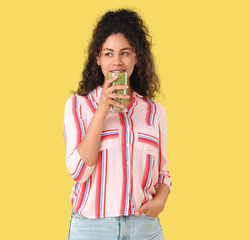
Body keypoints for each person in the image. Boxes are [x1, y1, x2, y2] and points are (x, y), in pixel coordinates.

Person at [63, 9, 172, 240]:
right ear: (98, 58)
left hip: (145, 228)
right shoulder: (79, 106)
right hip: (92, 229)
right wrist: (102, 111)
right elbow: (79, 171)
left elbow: (163, 174)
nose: (117, 62)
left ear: (136, 57)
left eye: (125, 53)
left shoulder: (154, 112)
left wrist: (160, 202)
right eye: (109, 53)